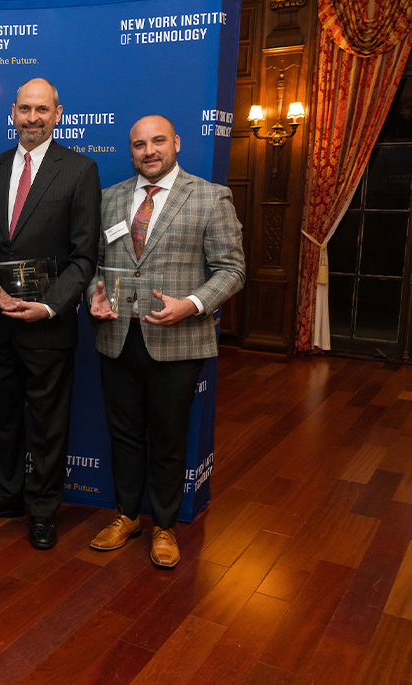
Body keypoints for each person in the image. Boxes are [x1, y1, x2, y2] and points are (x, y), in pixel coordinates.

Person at [87, 115, 245, 568]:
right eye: (139, 145)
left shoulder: (210, 198)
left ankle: (164, 526)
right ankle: (125, 515)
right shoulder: (110, 198)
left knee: (170, 437)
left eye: (158, 141)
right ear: (131, 150)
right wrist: (91, 297)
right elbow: (94, 265)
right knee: (124, 434)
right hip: (117, 336)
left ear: (176, 142)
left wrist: (193, 304)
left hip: (177, 341)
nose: (149, 151)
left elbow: (233, 270)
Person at [0, 78, 101, 550]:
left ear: (58, 113)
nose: (33, 118)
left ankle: (42, 508)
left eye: (43, 110)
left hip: (48, 325)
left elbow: (85, 257)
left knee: (48, 420)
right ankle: (5, 495)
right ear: (12, 113)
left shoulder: (80, 170)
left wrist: (47, 304)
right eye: (25, 110)